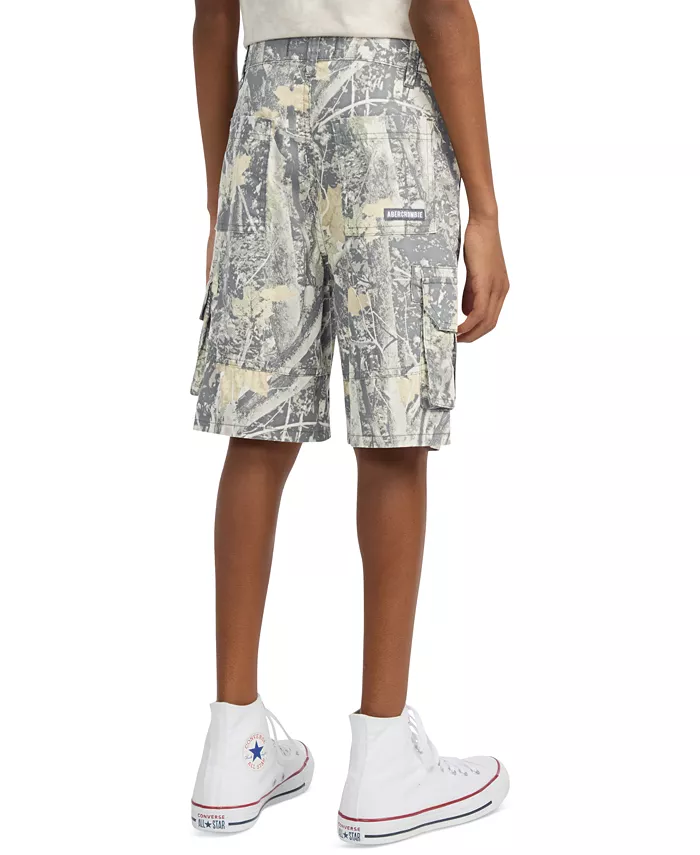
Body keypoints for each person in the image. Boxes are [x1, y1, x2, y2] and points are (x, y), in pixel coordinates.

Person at [189, 0, 510, 844]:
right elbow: (437, 10)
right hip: (385, 110)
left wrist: (224, 198)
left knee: (257, 427)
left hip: (263, 116)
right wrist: (485, 209)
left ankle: (233, 742)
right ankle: (383, 758)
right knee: (394, 430)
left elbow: (213, 18)